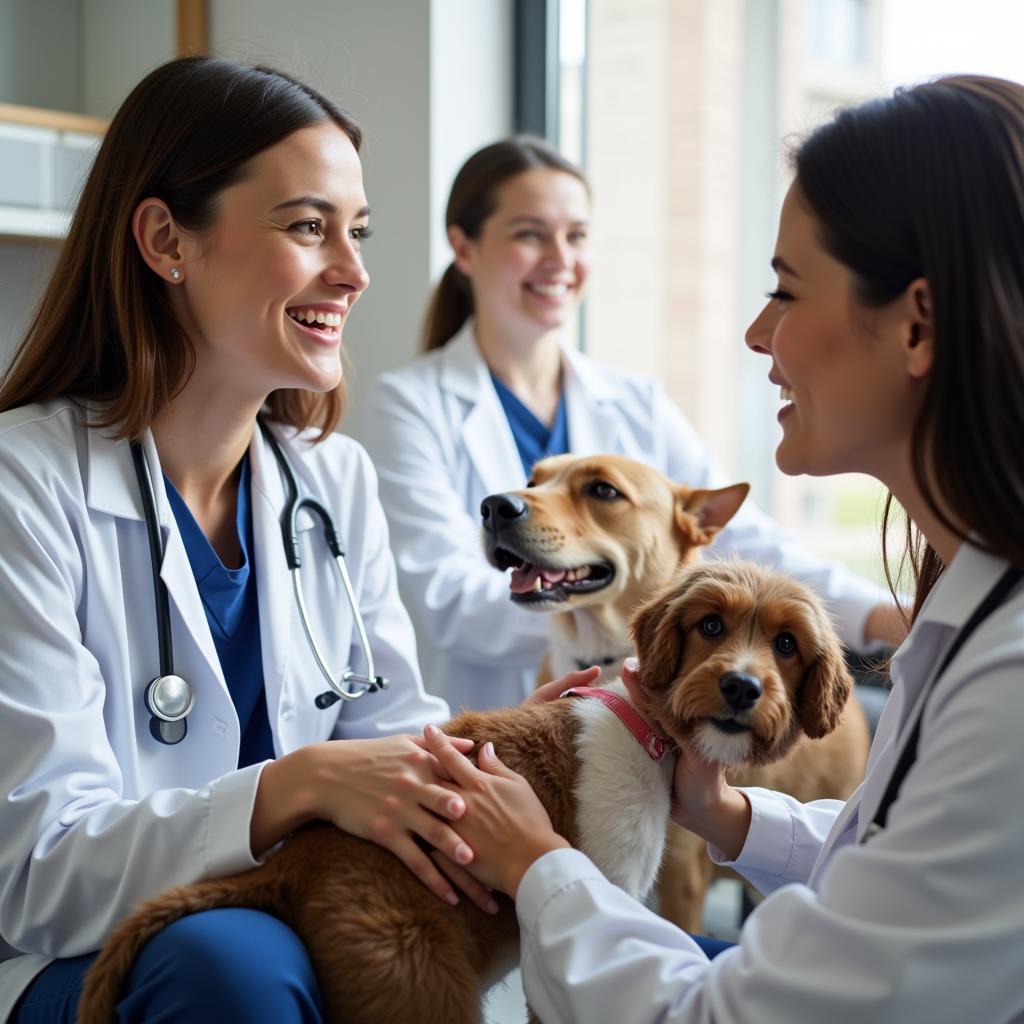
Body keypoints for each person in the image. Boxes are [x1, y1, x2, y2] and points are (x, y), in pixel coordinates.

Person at [0, 57, 607, 1024]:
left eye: (356, 232)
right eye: (307, 226)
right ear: (166, 241)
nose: (356, 272)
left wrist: (511, 744)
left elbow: (395, 741)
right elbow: (38, 873)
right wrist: (293, 787)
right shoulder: (23, 486)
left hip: (299, 915)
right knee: (232, 962)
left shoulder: (330, 482)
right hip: (81, 961)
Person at [423, 74, 1024, 1022]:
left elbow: (728, 1016)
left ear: (916, 323)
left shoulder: (1006, 673)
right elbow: (898, 856)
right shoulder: (982, 621)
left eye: (785, 291)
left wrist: (537, 864)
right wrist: (730, 816)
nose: (755, 333)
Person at [360, 136, 904, 714]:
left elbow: (737, 534)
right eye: (529, 233)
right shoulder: (408, 403)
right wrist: (623, 597)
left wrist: (877, 615)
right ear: (464, 249)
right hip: (496, 720)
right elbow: (450, 602)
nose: (559, 259)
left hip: (641, 717)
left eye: (576, 236)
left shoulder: (633, 401)